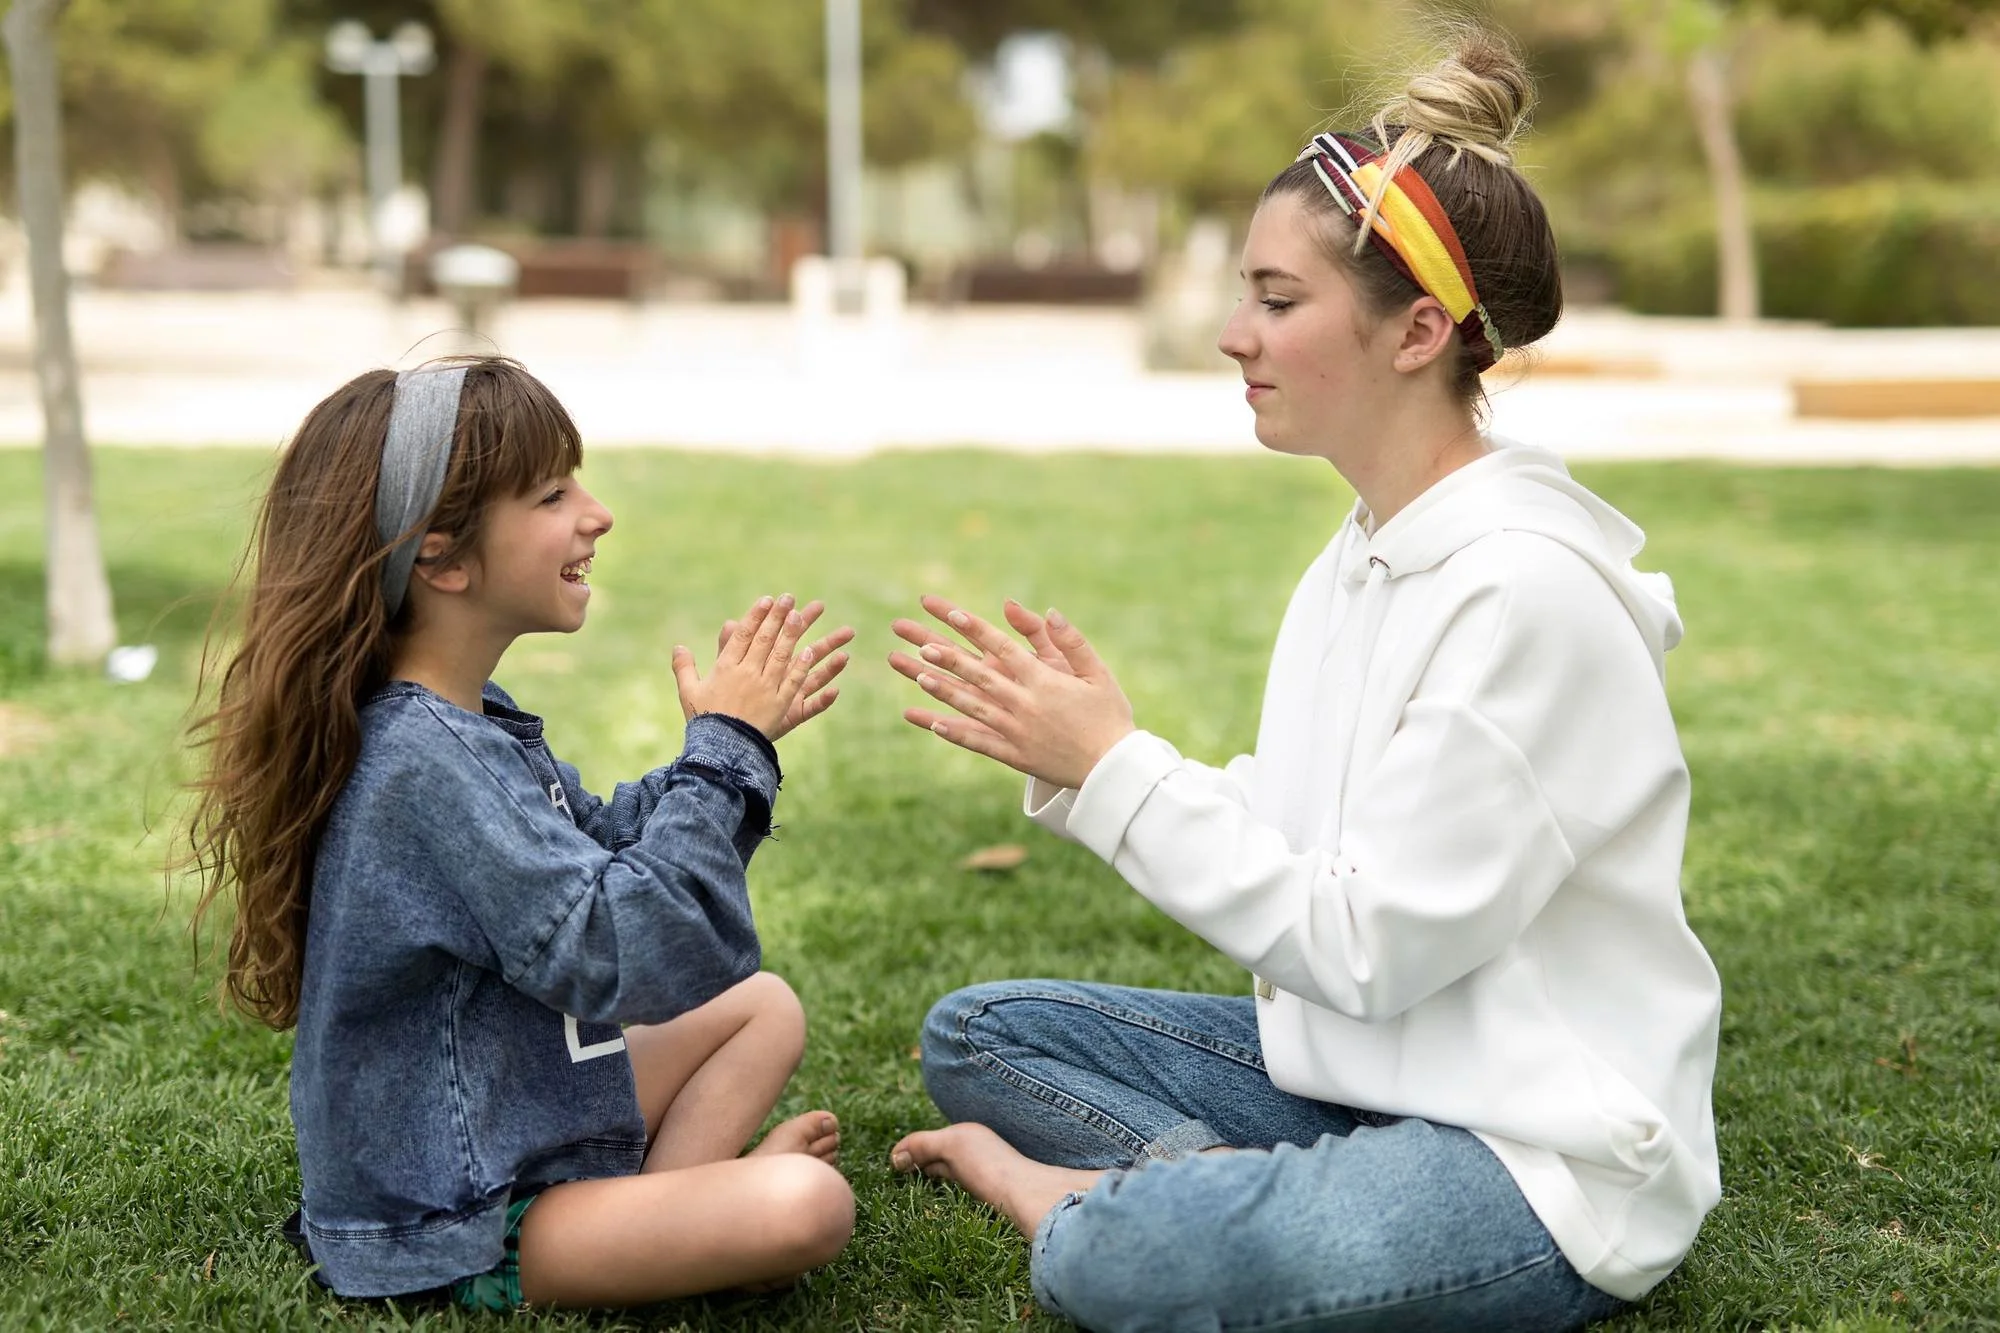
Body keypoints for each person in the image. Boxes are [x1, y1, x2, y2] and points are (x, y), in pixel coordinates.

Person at [884, 30, 1722, 1333]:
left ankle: (1123, 1207)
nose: (1232, 335)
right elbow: (1313, 832)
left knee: (1121, 1264)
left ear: (1420, 331)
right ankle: (1236, 1188)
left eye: (1277, 300)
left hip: (1544, 1164)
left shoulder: (1528, 595)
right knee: (980, 1036)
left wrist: (1121, 772)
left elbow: (1361, 943)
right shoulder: (1364, 548)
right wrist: (1086, 754)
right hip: (1369, 1078)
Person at [182, 355, 858, 1311]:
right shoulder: (421, 760)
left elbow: (608, 849)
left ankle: (663, 1223)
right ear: (443, 557)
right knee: (808, 1204)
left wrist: (731, 748)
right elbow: (620, 948)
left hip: (523, 1112)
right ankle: (680, 1230)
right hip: (458, 1212)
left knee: (762, 1005)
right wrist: (724, 751)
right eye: (551, 494)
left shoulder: (462, 722)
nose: (597, 513)